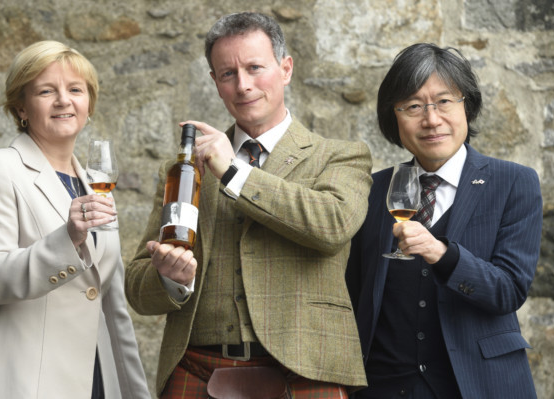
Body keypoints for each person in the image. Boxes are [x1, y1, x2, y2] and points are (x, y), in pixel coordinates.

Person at [125, 11, 372, 399]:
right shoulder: (183, 171)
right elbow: (137, 288)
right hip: (196, 369)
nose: (243, 85)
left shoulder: (339, 156)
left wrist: (233, 172)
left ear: (285, 68)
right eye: (228, 74)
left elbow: (332, 226)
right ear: (215, 83)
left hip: (307, 372)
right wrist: (172, 278)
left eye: (255, 68)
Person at [345, 42, 542, 398]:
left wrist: (443, 254)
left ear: (468, 106)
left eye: (444, 101)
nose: (431, 119)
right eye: (414, 106)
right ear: (395, 117)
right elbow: (354, 292)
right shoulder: (372, 189)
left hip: (477, 384)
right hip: (384, 387)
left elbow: (509, 290)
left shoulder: (514, 182)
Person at [0, 40, 150, 399]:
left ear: (88, 105)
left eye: (75, 89)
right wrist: (67, 239)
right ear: (21, 108)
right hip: (26, 381)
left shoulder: (95, 184)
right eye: (46, 91)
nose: (64, 100)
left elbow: (110, 303)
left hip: (98, 380)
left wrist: (132, 390)